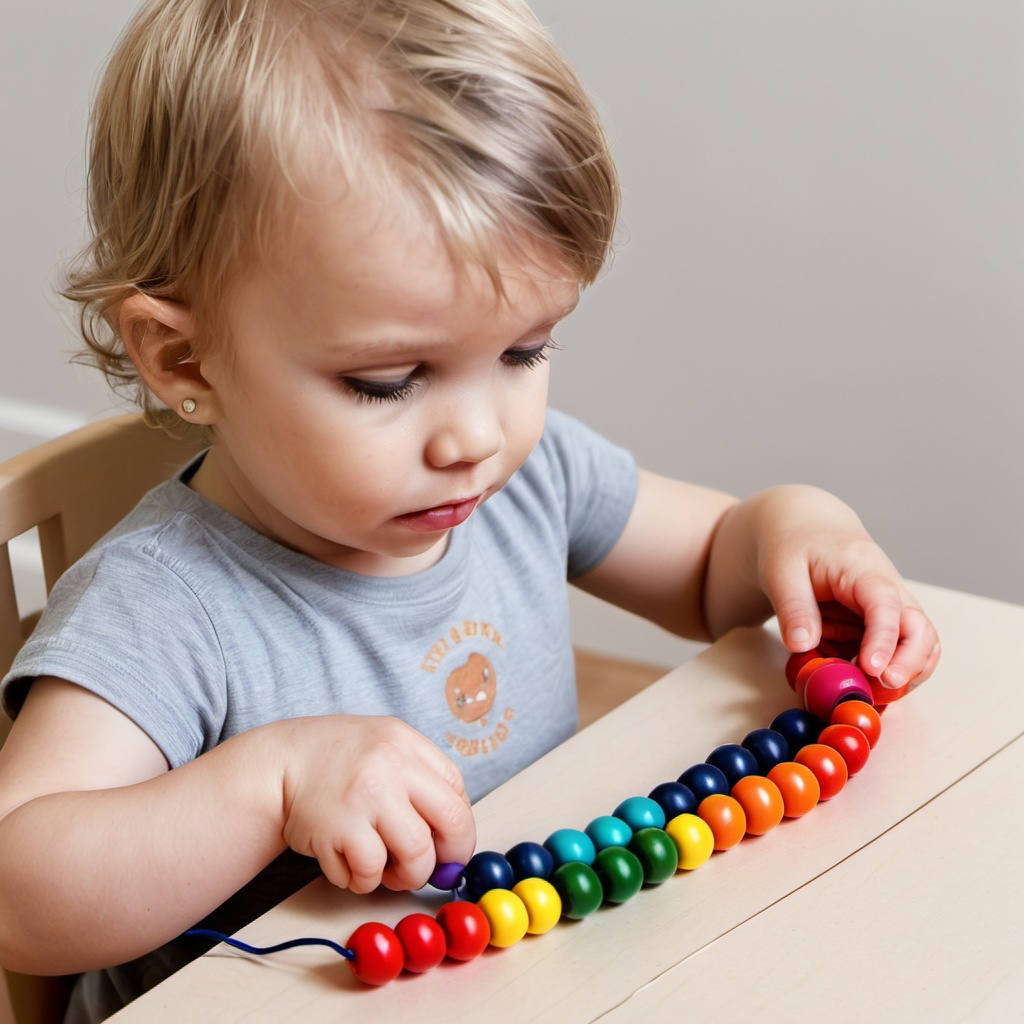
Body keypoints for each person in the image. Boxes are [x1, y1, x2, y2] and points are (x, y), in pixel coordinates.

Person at [0, 0, 940, 1019]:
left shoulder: (515, 481)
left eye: (523, 352)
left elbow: (715, 563)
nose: (475, 436)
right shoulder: (163, 604)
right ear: (186, 358)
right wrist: (266, 788)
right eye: (391, 379)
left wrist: (798, 530)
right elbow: (19, 886)